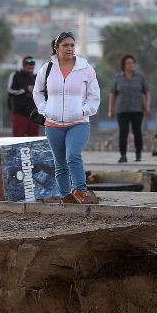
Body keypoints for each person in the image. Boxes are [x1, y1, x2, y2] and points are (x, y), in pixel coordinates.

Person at [33, 32, 101, 204]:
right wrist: (45, 109)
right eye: (65, 45)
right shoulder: (47, 68)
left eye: (72, 45)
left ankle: (80, 191)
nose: (69, 48)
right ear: (56, 48)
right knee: (60, 163)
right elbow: (37, 92)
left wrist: (83, 111)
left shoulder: (85, 68)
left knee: (73, 156)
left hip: (78, 123)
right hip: (53, 124)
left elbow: (94, 96)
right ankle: (66, 197)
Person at [108, 54, 151, 163]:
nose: (131, 65)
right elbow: (113, 94)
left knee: (137, 132)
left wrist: (147, 106)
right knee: (123, 132)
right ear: (124, 65)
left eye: (132, 63)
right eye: (128, 63)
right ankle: (123, 155)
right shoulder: (118, 78)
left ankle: (138, 154)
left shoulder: (140, 77)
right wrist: (110, 110)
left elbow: (147, 92)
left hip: (137, 109)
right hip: (122, 110)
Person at [7, 56, 39, 137]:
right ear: (23, 66)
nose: (30, 69)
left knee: (34, 139)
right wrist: (25, 89)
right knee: (19, 137)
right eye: (28, 67)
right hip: (20, 113)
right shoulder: (15, 75)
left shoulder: (36, 77)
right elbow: (10, 90)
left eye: (32, 67)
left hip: (34, 114)